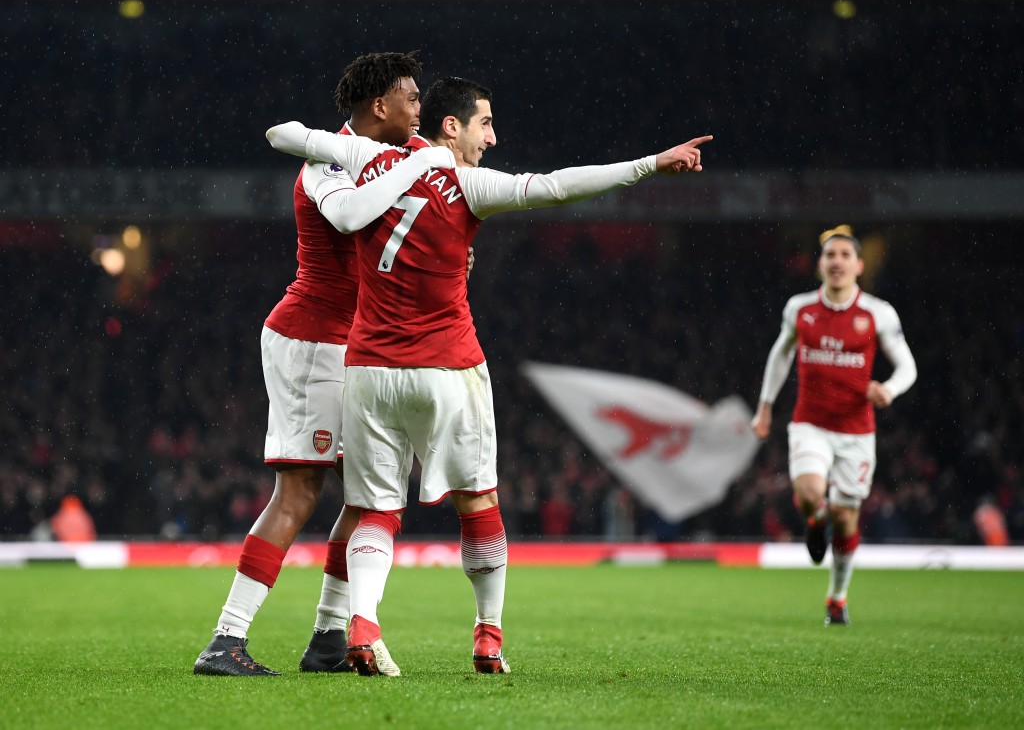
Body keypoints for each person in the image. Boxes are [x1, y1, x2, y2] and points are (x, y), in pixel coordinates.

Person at [266, 76, 712, 675]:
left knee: (373, 509)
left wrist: (335, 146)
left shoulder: (368, 160)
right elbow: (557, 187)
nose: (493, 138)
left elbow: (287, 136)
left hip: (370, 365)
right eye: (485, 124)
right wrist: (650, 164)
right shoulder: (466, 181)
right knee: (479, 502)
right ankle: (488, 636)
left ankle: (362, 624)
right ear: (452, 128)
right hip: (449, 365)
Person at [194, 52, 459, 678]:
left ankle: (329, 639)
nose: (421, 108)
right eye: (411, 97)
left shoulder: (402, 156)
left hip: (359, 345)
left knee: (370, 493)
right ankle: (225, 641)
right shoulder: (324, 161)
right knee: (301, 491)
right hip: (312, 340)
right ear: (378, 107)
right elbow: (349, 215)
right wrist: (419, 164)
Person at [750, 226, 917, 626]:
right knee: (809, 493)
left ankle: (837, 598)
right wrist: (765, 407)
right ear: (820, 264)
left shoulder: (878, 313)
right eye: (830, 255)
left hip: (857, 431)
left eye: (845, 255)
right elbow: (780, 355)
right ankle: (813, 519)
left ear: (859, 265)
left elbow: (907, 366)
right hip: (811, 424)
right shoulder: (800, 309)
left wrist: (889, 390)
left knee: (846, 520)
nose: (837, 261)